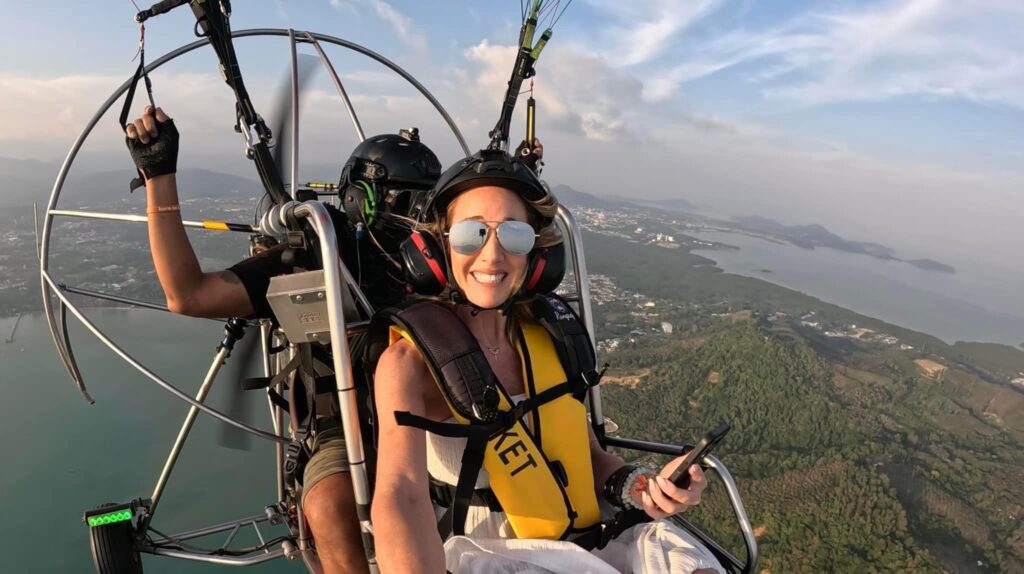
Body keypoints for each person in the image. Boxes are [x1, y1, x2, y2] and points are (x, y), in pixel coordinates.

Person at [370, 149, 725, 573]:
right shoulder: (409, 364)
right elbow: (401, 496)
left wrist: (640, 485)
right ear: (436, 247)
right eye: (470, 233)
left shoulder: (550, 338)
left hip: (591, 540)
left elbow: (585, 453)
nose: (492, 254)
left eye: (514, 235)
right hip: (492, 553)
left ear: (537, 254)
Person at [124, 105, 442, 574]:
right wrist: (158, 176)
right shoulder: (316, 255)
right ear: (364, 198)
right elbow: (189, 294)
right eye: (405, 201)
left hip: (435, 416)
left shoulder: (444, 261)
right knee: (332, 504)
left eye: (426, 204)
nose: (416, 217)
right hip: (346, 426)